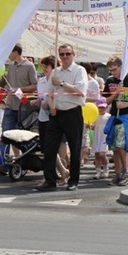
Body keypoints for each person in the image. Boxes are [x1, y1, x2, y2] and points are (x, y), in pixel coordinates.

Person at [38, 44, 88, 191]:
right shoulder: (55, 71)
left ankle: (73, 180)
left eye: (67, 54)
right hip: (56, 113)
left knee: (74, 147)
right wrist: (51, 106)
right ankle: (50, 180)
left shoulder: (79, 70)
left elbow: (79, 90)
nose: (65, 57)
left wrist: (61, 83)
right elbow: (48, 93)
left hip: (72, 112)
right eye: (62, 54)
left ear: (73, 55)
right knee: (49, 147)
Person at [30, 56, 70, 185]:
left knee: (56, 146)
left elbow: (60, 97)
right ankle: (58, 171)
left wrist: (50, 103)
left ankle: (59, 172)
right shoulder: (41, 81)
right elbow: (41, 98)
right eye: (42, 66)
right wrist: (34, 102)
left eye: (46, 67)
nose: (44, 69)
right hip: (43, 117)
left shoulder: (56, 81)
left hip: (55, 116)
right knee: (47, 148)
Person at [0, 44, 38, 158]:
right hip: (10, 105)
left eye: (9, 52)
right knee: (5, 134)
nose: (8, 55)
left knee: (22, 136)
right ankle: (3, 162)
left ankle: (26, 159)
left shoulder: (29, 66)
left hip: (23, 107)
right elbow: (6, 84)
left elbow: (34, 85)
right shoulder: (11, 67)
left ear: (16, 52)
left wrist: (19, 90)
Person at [90, 97, 111, 179]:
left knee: (102, 154)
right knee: (97, 155)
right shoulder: (95, 115)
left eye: (103, 107)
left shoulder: (108, 116)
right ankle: (98, 171)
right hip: (97, 136)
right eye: (100, 107)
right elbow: (93, 126)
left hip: (104, 136)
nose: (101, 109)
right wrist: (90, 125)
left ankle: (106, 169)